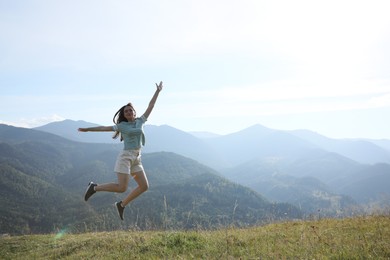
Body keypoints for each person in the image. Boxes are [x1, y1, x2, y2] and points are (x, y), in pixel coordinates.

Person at [78, 81, 163, 220]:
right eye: (126, 111)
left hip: (137, 157)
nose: (129, 112)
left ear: (134, 112)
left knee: (144, 186)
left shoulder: (141, 121)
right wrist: (87, 129)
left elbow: (151, 105)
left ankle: (122, 205)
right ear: (124, 115)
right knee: (121, 188)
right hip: (126, 157)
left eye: (130, 110)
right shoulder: (122, 126)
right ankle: (94, 187)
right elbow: (104, 128)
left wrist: (158, 91)